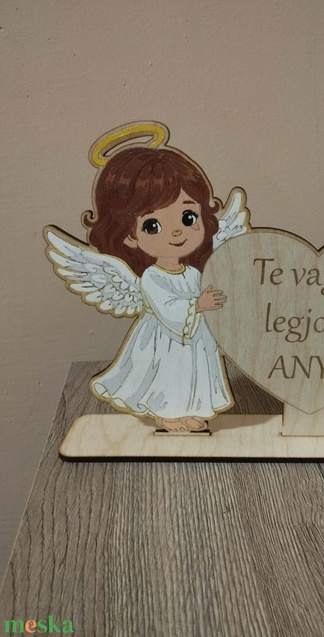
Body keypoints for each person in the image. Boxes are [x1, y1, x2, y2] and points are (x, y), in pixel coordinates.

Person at [45, 122, 249, 432]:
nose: (177, 232)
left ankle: (187, 410)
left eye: (188, 217)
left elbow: (208, 299)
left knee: (190, 374)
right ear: (129, 235)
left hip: (192, 338)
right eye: (153, 226)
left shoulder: (193, 272)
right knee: (168, 374)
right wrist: (197, 305)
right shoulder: (152, 278)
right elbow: (169, 310)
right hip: (164, 342)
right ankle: (166, 414)